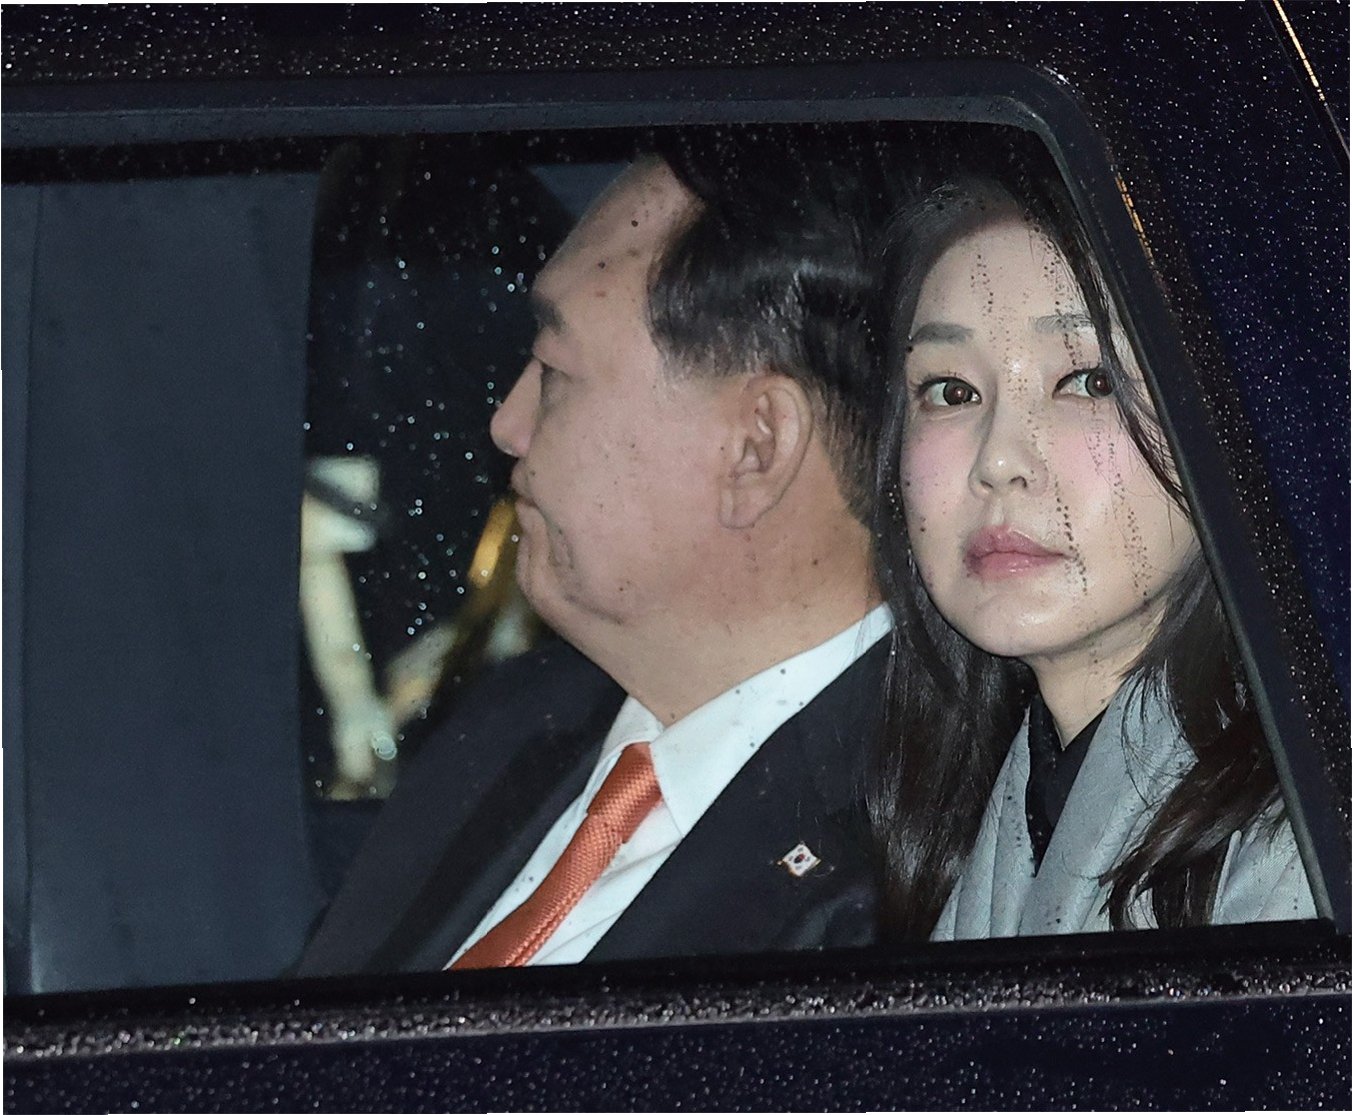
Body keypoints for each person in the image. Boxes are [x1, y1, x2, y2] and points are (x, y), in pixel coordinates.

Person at [298, 129, 901, 975]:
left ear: (755, 448)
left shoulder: (916, 878)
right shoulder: (513, 722)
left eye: (553, 367)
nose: (506, 425)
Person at [867, 149, 1317, 942]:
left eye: (1087, 380)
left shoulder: (1302, 846)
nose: (998, 460)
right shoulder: (988, 798)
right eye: (951, 390)